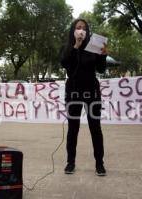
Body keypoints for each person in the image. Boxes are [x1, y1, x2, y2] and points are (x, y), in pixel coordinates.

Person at [60, 19, 107, 176]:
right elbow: (66, 64)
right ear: (73, 30)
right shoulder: (67, 48)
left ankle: (99, 163)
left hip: (92, 92)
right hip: (73, 92)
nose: (81, 30)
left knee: (95, 127)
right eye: (78, 28)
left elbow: (101, 69)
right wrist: (76, 46)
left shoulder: (93, 47)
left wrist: (102, 56)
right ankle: (70, 162)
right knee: (73, 128)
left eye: (84, 28)